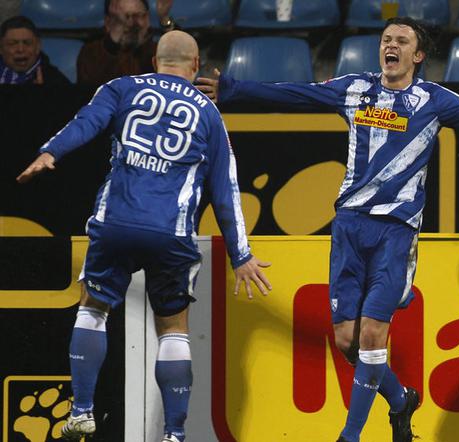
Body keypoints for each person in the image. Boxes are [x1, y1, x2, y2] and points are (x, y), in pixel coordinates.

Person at [196, 16, 459, 442]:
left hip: (395, 234)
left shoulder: (433, 100)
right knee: (346, 341)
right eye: (386, 39)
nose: (390, 46)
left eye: (401, 41)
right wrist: (232, 90)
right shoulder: (357, 89)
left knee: (373, 335)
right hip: (349, 229)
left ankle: (349, 436)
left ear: (418, 55)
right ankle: (399, 397)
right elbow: (297, 95)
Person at [17, 30, 272, 442]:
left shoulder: (121, 87)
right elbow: (226, 191)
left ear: (154, 60)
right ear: (194, 67)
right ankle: (174, 434)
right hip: (170, 233)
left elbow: (87, 122)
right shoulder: (209, 114)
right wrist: (241, 255)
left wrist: (51, 152)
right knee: (172, 329)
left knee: (93, 308)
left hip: (116, 223)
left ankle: (81, 410)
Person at [77, 0, 174, 86]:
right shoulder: (90, 52)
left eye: (136, 16)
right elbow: (89, 87)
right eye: (119, 18)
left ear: (147, 19)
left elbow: (177, 67)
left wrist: (164, 19)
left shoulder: (156, 52)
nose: (129, 23)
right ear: (107, 22)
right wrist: (112, 44)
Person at [0, 15, 70, 85]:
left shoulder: (54, 80)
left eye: (27, 43)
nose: (20, 49)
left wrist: (42, 93)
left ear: (38, 47)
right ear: (1, 48)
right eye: (12, 44)